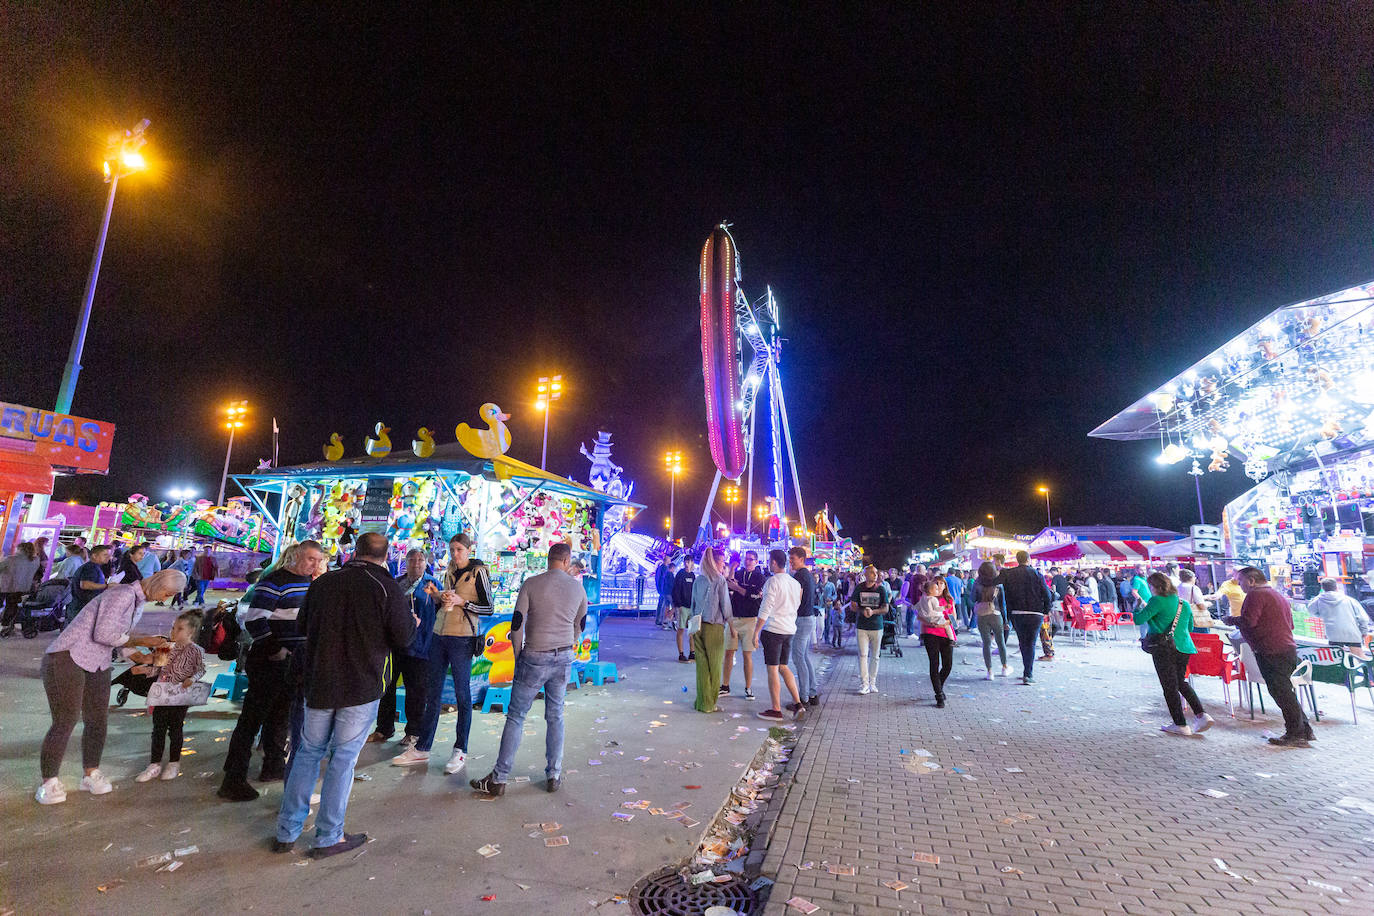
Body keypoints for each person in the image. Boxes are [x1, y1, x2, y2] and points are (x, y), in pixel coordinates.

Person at [275, 532, 416, 856]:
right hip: (360, 686)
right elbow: (404, 637)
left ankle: (287, 831)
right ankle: (328, 836)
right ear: (386, 555)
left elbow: (303, 628)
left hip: (319, 682)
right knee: (342, 760)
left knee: (307, 754)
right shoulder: (386, 587)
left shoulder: (323, 583)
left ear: (356, 551)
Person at [34, 570, 183, 805]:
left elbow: (121, 641)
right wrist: (144, 640)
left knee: (97, 720)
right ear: (158, 583)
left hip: (98, 662)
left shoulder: (137, 602)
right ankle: (49, 782)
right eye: (168, 592)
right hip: (67, 656)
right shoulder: (122, 594)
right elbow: (103, 633)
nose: (165, 598)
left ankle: (91, 773)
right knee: (66, 720)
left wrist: (148, 659)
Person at [469, 541, 588, 796]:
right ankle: (554, 775)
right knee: (555, 715)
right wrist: (571, 642)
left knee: (516, 716)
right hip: (563, 656)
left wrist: (519, 654)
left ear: (549, 559)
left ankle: (499, 778)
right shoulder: (578, 590)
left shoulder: (531, 584)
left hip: (534, 655)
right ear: (567, 562)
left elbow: (516, 625)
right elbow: (581, 623)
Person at [219, 540, 324, 801]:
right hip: (270, 661)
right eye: (311, 558)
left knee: (280, 717)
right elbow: (255, 618)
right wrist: (273, 648)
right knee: (252, 719)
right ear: (297, 556)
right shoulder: (275, 580)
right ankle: (233, 778)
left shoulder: (311, 583)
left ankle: (273, 766)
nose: (315, 564)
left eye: (318, 560)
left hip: (294, 663)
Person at [395, 532, 492, 773]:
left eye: (459, 549)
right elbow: (446, 603)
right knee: (433, 693)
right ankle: (422, 748)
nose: (455, 554)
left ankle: (460, 749)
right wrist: (439, 596)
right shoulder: (448, 571)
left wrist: (462, 602)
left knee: (462, 695)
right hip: (440, 635)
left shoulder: (479, 572)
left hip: (463, 639)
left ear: (469, 550)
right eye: (452, 549)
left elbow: (489, 606)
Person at [1227, 566, 1314, 748]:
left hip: (1271, 650)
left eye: (1241, 581)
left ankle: (1295, 733)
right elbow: (1289, 624)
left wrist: (1232, 620)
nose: (1240, 585)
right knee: (1286, 691)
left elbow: (1249, 621)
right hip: (1285, 648)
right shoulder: (1276, 594)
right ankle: (1303, 730)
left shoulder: (1256, 595)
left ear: (1251, 580)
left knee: (1281, 692)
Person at [369, 548, 440, 745]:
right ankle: (384, 729)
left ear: (426, 563)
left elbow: (441, 609)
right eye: (412, 559)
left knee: (416, 691)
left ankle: (413, 732)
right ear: (406, 562)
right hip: (395, 645)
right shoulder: (396, 583)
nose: (416, 563)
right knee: (387, 687)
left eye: (420, 560)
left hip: (420, 647)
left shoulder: (432, 584)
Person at [134, 608, 208, 782]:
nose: (173, 631)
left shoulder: (196, 650)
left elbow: (201, 669)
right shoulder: (165, 647)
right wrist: (143, 671)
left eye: (179, 629)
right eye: (173, 627)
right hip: (161, 693)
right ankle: (154, 764)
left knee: (175, 729)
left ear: (191, 631)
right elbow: (157, 668)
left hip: (180, 696)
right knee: (158, 728)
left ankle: (174, 762)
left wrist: (192, 678)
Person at [1136, 573, 1213, 736]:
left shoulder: (1156, 600)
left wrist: (1138, 606)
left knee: (1169, 687)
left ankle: (1180, 724)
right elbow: (1190, 627)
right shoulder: (1183, 603)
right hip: (1184, 647)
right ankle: (1201, 714)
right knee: (1181, 682)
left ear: (1156, 587)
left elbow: (1138, 619)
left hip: (1164, 648)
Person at [755, 549, 805, 721]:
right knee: (783, 666)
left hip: (774, 630)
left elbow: (765, 609)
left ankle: (776, 709)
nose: (769, 564)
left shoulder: (772, 582)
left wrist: (756, 632)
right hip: (789, 629)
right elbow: (797, 604)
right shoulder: (795, 583)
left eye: (770, 561)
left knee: (773, 669)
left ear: (774, 562)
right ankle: (798, 703)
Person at [687, 547, 732, 713]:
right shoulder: (719, 580)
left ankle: (701, 702)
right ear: (714, 561)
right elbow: (725, 607)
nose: (723, 564)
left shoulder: (698, 580)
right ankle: (710, 703)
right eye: (721, 561)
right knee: (714, 666)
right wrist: (732, 625)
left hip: (697, 626)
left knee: (702, 666)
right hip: (714, 627)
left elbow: (692, 604)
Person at [998, 551, 1051, 685]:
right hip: (1035, 613)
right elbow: (1047, 594)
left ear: (1017, 559)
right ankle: (1028, 673)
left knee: (1023, 643)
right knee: (1031, 643)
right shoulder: (1037, 574)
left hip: (1017, 613)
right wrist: (1045, 610)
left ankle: (1026, 670)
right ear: (1028, 559)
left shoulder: (1009, 574)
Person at [723, 550, 764, 700]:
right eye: (746, 559)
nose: (747, 562)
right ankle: (725, 685)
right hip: (734, 618)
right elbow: (729, 585)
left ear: (756, 561)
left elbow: (754, 596)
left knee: (747, 654)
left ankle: (748, 687)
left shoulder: (760, 577)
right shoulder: (738, 573)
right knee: (729, 652)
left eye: (751, 559)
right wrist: (733, 569)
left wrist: (738, 589)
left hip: (750, 621)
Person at [787, 547, 820, 706]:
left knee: (798, 658)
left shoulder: (800, 576)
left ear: (801, 558)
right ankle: (812, 693)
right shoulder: (808, 575)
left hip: (801, 620)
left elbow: (796, 599)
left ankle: (803, 698)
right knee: (804, 657)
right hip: (808, 618)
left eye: (793, 558)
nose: (790, 561)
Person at [916, 580, 957, 706]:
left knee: (947, 665)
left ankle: (938, 684)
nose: (938, 586)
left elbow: (953, 618)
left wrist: (947, 624)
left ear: (945, 585)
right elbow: (919, 616)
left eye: (941, 583)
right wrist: (930, 623)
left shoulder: (949, 600)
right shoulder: (926, 599)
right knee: (934, 663)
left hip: (946, 634)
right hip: (931, 633)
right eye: (936, 584)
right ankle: (938, 694)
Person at [1306, 578, 1374, 650]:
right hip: (1352, 634)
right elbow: (1363, 618)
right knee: (1358, 656)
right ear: (1336, 587)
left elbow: (1311, 611)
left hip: (1333, 635)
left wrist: (1321, 615)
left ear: (1322, 588)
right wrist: (1364, 631)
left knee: (1338, 657)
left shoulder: (1318, 600)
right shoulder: (1349, 600)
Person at [852, 565, 889, 694]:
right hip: (862, 626)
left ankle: (872, 682)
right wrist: (863, 610)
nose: (875, 575)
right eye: (872, 573)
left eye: (876, 573)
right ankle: (864, 683)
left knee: (875, 656)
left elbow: (885, 608)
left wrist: (873, 612)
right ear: (865, 574)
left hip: (876, 626)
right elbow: (853, 605)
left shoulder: (881, 589)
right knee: (862, 655)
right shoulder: (859, 588)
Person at [972, 562, 1010, 679]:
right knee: (1000, 642)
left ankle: (990, 672)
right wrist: (1005, 621)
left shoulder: (977, 583)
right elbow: (1003, 604)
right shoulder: (999, 584)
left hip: (982, 615)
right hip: (996, 614)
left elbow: (972, 599)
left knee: (986, 643)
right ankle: (1004, 668)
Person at [0, 542, 41, 637]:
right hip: (23, 588)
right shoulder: (35, 560)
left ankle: (5, 626)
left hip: (5, 586)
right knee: (12, 607)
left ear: (20, 549)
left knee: (5, 605)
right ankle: (6, 625)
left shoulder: (11, 559)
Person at [68, 544, 113, 621]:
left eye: (109, 555)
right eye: (105, 555)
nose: (109, 557)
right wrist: (106, 586)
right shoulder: (90, 568)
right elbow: (85, 585)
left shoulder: (94, 567)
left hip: (83, 606)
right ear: (94, 556)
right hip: (81, 607)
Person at [672, 555, 697, 662]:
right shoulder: (680, 575)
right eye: (686, 561)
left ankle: (692, 652)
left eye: (689, 562)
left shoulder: (692, 576)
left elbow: (695, 591)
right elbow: (676, 590)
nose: (687, 564)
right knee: (681, 629)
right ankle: (681, 653)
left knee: (692, 631)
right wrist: (678, 605)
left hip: (691, 607)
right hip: (682, 606)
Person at [654, 558, 676, 629]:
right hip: (665, 591)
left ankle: (661, 620)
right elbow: (667, 582)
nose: (670, 560)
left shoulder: (661, 568)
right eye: (669, 559)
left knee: (664, 605)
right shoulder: (665, 570)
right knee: (667, 605)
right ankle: (664, 620)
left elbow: (658, 579)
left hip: (662, 590)